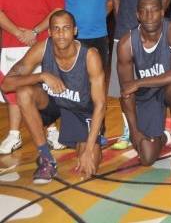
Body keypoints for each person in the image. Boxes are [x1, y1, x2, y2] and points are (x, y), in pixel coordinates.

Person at [0, 10, 106, 184]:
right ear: (49, 32)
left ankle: (90, 141)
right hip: (55, 104)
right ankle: (46, 157)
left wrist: (88, 149)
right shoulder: (42, 48)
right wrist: (41, 76)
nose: (61, 34)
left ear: (75, 31)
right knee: (24, 92)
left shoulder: (90, 56)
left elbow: (101, 104)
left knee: (89, 166)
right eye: (55, 29)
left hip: (82, 112)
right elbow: (6, 84)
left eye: (66, 28)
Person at [109, 0, 171, 150]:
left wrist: (156, 22)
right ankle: (128, 129)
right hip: (125, 30)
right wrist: (123, 23)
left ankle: (162, 124)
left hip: (154, 35)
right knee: (124, 85)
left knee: (157, 82)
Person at [0, 0, 65, 154]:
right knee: (13, 91)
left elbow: (56, 11)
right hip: (11, 45)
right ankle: (13, 134)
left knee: (44, 90)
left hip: (42, 46)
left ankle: (52, 132)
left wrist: (34, 32)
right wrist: (18, 32)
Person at [116, 0, 171, 178]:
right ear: (137, 15)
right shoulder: (126, 43)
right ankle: (166, 135)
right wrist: (135, 133)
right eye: (144, 11)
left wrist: (140, 82)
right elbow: (126, 92)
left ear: (162, 12)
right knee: (147, 158)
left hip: (169, 88)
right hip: (147, 95)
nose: (149, 16)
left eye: (154, 10)